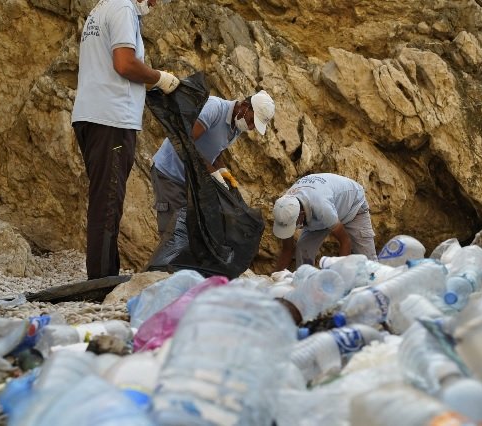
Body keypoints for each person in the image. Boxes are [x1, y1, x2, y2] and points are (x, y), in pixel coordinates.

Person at [71, 0, 180, 280]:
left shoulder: (102, 7)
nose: (155, 5)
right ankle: (102, 280)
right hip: (112, 121)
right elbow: (124, 62)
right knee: (108, 201)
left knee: (104, 198)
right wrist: (158, 78)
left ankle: (104, 273)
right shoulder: (123, 9)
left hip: (92, 115)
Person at [150, 90, 275, 239]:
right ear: (245, 106)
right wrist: (211, 171)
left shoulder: (237, 125)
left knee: (188, 231)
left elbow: (215, 149)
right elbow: (186, 142)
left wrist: (222, 171)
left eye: (254, 125)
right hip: (169, 173)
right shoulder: (214, 108)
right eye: (251, 121)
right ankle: (166, 262)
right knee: (172, 232)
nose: (251, 127)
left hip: (189, 178)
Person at [272, 173, 378, 270]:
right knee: (303, 248)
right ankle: (305, 280)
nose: (293, 227)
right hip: (322, 212)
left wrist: (338, 278)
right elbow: (287, 249)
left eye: (293, 225)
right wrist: (276, 279)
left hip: (352, 205)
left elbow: (345, 241)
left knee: (369, 263)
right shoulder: (284, 210)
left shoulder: (321, 206)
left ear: (301, 214)